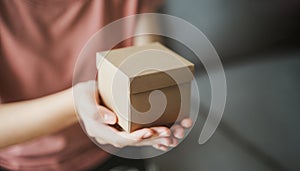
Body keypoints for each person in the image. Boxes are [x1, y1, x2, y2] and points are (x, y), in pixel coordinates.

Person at [0, 0, 192, 170]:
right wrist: (75, 104)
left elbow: (147, 56)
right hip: (27, 161)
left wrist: (151, 108)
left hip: (114, 145)